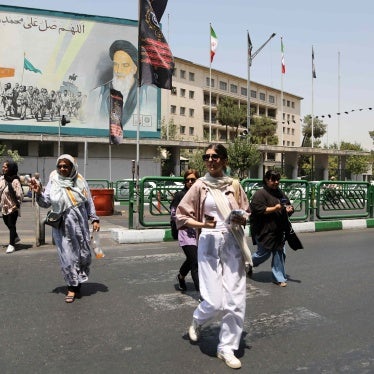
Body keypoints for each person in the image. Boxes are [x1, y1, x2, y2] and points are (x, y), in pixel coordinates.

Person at [176, 144, 251, 370]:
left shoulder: (235, 185)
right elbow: (181, 215)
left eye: (215, 156)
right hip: (208, 240)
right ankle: (198, 319)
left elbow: (246, 211)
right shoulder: (200, 185)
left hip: (232, 241)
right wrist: (202, 224)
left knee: (235, 299)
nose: (210, 160)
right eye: (207, 157)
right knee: (214, 300)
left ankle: (226, 347)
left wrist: (242, 218)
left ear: (224, 160)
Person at [29, 154, 100, 303]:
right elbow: (46, 202)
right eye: (60, 166)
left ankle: (78, 282)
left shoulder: (80, 180)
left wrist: (94, 219)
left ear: (72, 167)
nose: (62, 169)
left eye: (66, 166)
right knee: (67, 257)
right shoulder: (53, 180)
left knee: (83, 254)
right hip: (62, 225)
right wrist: (38, 193)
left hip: (80, 222)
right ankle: (71, 288)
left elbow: (88, 201)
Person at [88, 40, 157, 143]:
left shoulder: (148, 94)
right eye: (116, 64)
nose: (118, 70)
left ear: (134, 68)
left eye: (125, 65)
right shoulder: (98, 94)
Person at [249, 170, 294, 287]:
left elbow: (287, 205)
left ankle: (278, 278)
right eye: (273, 180)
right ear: (266, 180)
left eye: (277, 180)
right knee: (263, 253)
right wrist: (275, 208)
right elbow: (258, 210)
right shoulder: (260, 194)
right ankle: (248, 263)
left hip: (278, 229)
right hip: (263, 229)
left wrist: (289, 209)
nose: (276, 182)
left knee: (280, 252)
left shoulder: (281, 194)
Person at [170, 169, 200, 293]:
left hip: (199, 231)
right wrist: (188, 218)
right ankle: (202, 292)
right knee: (195, 261)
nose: (190, 182)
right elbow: (174, 214)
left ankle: (181, 276)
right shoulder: (180, 195)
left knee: (192, 258)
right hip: (186, 232)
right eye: (187, 180)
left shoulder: (201, 194)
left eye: (193, 179)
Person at [0, 160, 23, 253]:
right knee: (7, 223)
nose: (3, 168)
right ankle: (15, 237)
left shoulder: (15, 180)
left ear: (11, 168)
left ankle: (11, 245)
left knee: (11, 225)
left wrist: (16, 205)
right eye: (3, 167)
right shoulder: (2, 179)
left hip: (13, 207)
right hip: (4, 207)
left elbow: (20, 194)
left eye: (6, 167)